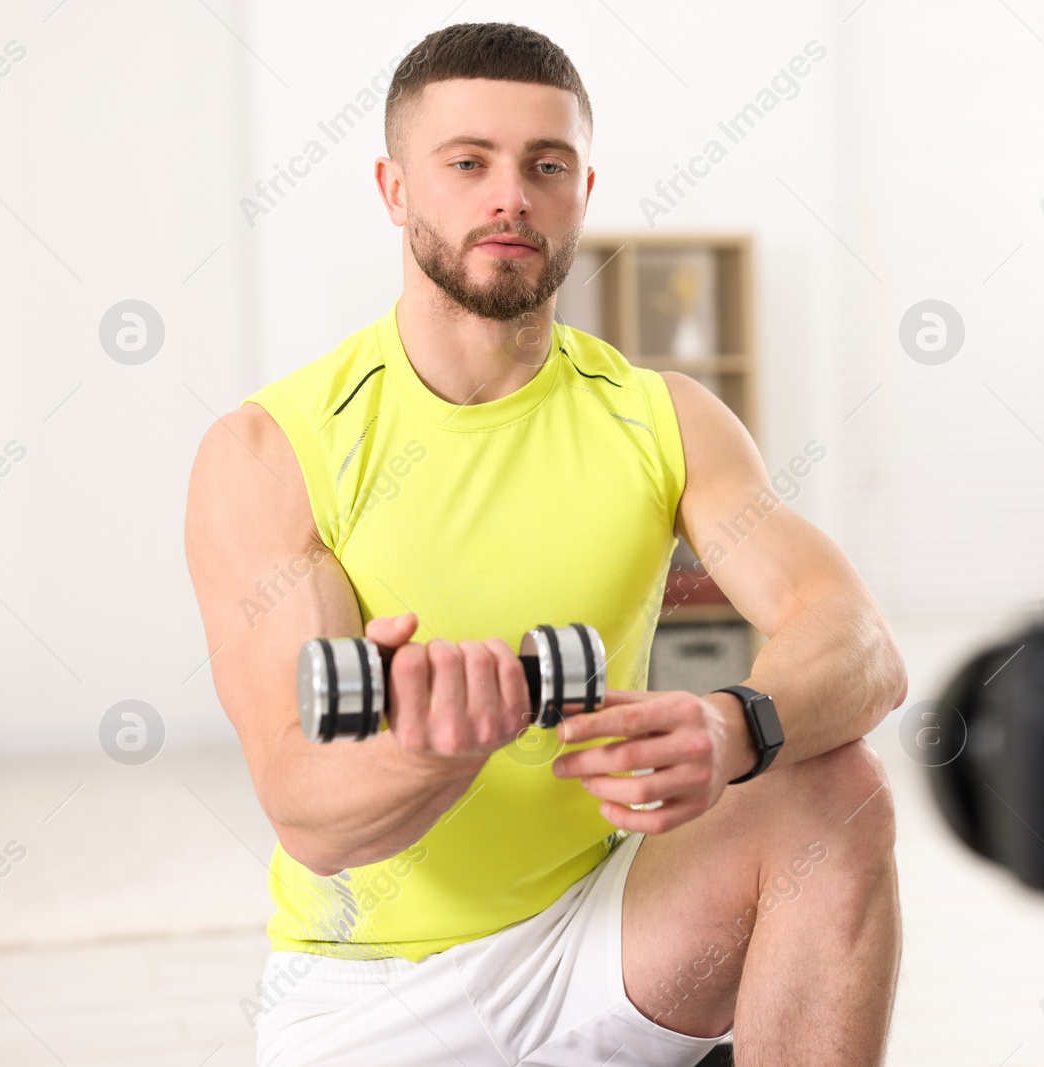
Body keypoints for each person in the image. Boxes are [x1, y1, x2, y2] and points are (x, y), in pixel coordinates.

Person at [184, 21, 907, 1067]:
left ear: (581, 189)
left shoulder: (662, 418)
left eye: (545, 165)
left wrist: (733, 722)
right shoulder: (273, 448)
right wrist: (439, 746)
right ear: (394, 188)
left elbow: (860, 643)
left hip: (600, 937)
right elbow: (311, 811)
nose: (508, 195)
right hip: (370, 994)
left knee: (835, 790)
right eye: (468, 162)